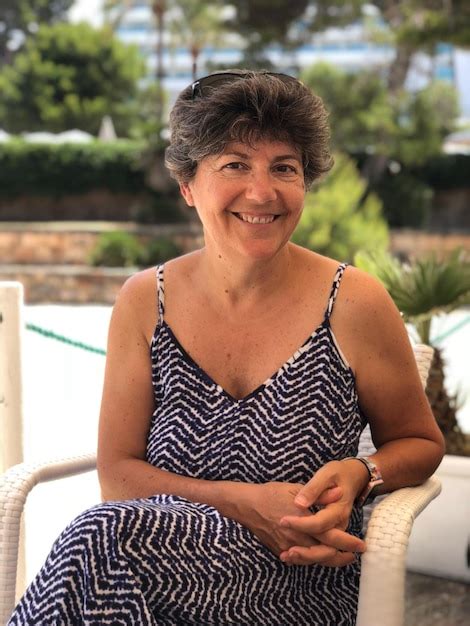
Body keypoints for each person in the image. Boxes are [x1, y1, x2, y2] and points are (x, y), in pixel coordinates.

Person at [8, 70, 444, 626]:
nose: (262, 193)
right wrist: (243, 502)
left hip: (298, 576)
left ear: (305, 183)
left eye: (284, 168)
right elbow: (118, 475)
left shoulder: (354, 302)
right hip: (146, 561)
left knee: (98, 542)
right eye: (235, 165)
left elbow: (419, 441)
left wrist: (362, 474)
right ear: (189, 185)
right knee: (104, 540)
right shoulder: (146, 301)